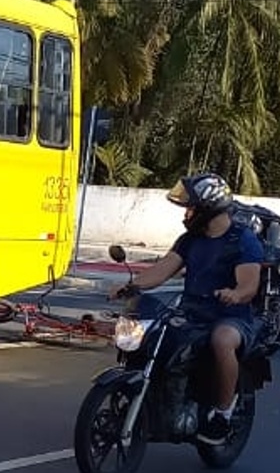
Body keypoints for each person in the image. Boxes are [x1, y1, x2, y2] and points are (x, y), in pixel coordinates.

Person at [110, 173, 261, 446]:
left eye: (191, 208)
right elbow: (162, 270)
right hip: (192, 311)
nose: (187, 214)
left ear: (208, 207)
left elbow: (249, 284)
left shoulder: (242, 240)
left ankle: (222, 414)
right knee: (151, 335)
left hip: (230, 316)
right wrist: (132, 286)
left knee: (222, 339)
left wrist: (235, 294)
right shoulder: (190, 239)